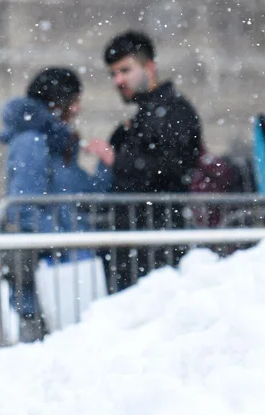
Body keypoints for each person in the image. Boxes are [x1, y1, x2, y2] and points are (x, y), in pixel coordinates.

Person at [84, 30, 203, 292]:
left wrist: (116, 158)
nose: (118, 80)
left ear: (149, 67)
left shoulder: (174, 111)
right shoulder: (144, 116)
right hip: (137, 246)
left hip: (156, 248)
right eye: (113, 74)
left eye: (125, 70)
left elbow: (173, 169)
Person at [0, 67, 110, 341]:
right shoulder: (32, 143)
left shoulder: (55, 146)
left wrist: (106, 164)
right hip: (50, 273)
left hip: (65, 270)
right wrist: (66, 239)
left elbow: (87, 194)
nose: (78, 109)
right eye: (74, 101)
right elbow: (23, 208)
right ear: (60, 104)